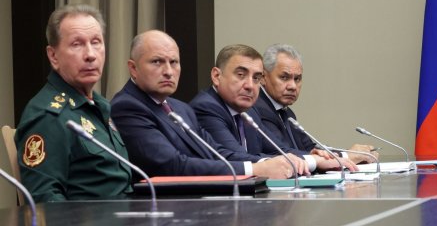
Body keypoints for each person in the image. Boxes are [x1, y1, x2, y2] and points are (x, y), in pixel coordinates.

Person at [110, 30, 305, 179]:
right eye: (157, 62)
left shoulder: (180, 109)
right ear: (133, 69)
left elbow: (216, 152)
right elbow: (172, 165)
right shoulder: (128, 106)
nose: (169, 71)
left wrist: (268, 163)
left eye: (174, 62)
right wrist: (254, 168)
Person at [15, 4, 132, 202]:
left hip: (125, 222)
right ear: (53, 56)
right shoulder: (49, 116)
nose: (90, 54)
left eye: (96, 42)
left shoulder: (98, 105)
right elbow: (45, 201)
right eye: (77, 44)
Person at [190, 44, 356, 172]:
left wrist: (316, 158)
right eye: (241, 75)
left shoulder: (249, 111)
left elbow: (278, 150)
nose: (250, 85)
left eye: (255, 77)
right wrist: (313, 161)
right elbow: (232, 157)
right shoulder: (207, 107)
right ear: (216, 76)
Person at [254, 43, 375, 163]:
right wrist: (345, 156)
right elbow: (283, 152)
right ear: (263, 77)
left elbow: (310, 148)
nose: (292, 86)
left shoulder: (287, 113)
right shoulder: (259, 109)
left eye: (297, 79)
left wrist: (350, 154)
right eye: (284, 77)